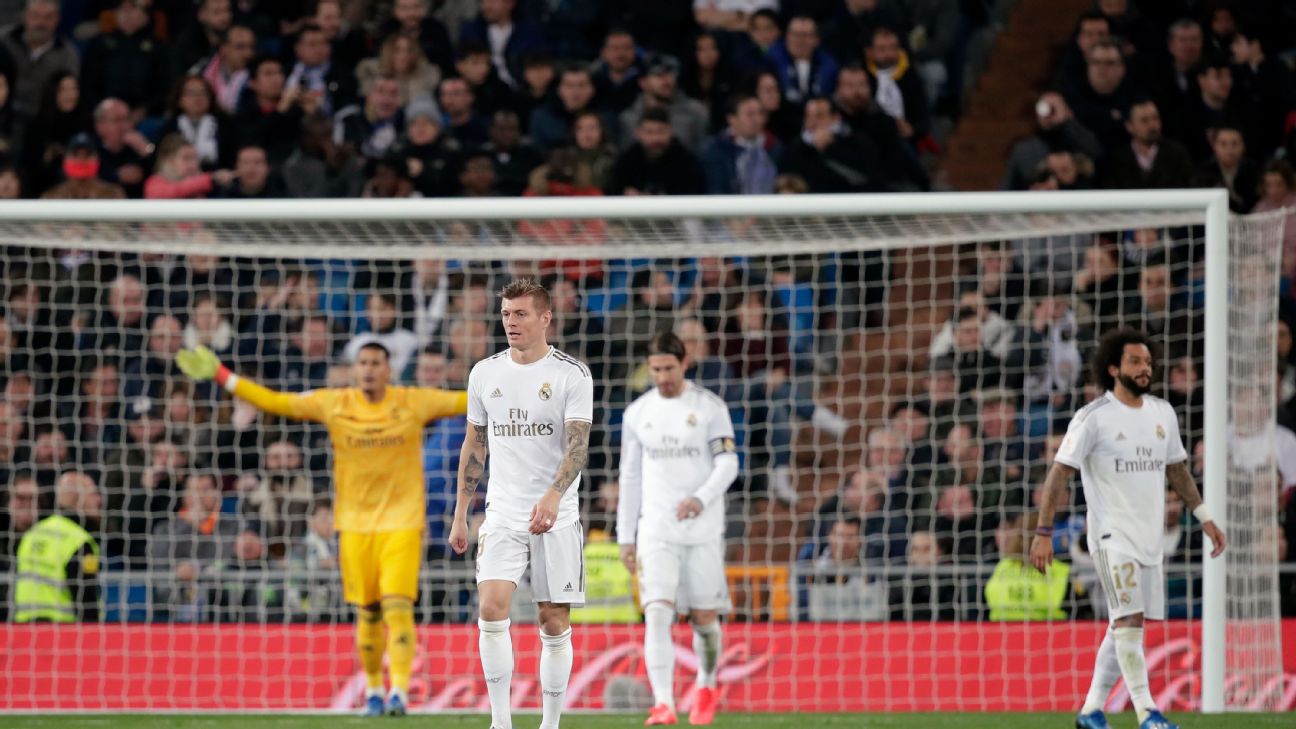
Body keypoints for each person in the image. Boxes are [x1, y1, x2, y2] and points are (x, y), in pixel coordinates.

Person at [174, 339, 468, 716]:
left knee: (397, 607)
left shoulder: (413, 400)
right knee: (368, 612)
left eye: (376, 363)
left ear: (388, 369)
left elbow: (466, 400)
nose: (368, 369)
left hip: (402, 523)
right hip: (354, 526)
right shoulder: (335, 402)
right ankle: (375, 693)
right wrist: (221, 375)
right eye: (362, 363)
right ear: (355, 368)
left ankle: (399, 692)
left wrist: (521, 378)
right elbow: (276, 401)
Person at [1031, 327, 1226, 729]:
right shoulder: (1092, 418)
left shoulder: (1162, 414)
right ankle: (1147, 713)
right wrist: (1043, 532)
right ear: (1113, 367)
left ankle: (1090, 712)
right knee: (1130, 619)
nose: (1145, 369)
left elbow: (1178, 470)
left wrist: (1204, 516)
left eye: (1148, 362)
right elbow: (1057, 476)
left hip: (1148, 538)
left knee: (1123, 623)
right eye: (1136, 362)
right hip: (1110, 536)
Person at [448, 278, 593, 729]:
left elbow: (577, 446)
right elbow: (475, 445)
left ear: (545, 318)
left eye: (521, 314)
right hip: (503, 514)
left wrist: (554, 494)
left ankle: (550, 724)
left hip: (557, 516)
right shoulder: (484, 373)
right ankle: (501, 722)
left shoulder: (572, 374)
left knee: (552, 621)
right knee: (491, 609)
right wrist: (460, 513)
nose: (511, 322)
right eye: (507, 313)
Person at [617, 332, 738, 726]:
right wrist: (625, 537)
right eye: (655, 369)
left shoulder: (709, 408)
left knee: (704, 621)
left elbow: (728, 464)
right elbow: (630, 477)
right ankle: (663, 704)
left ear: (684, 364)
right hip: (656, 530)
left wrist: (700, 498)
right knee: (656, 612)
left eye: (669, 368)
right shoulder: (637, 413)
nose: (663, 376)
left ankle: (706, 682)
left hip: (702, 530)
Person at [13, 471, 101, 623]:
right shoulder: (79, 541)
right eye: (93, 494)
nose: (99, 499)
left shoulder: (32, 534)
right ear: (78, 499)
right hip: (60, 631)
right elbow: (86, 598)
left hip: (23, 628)